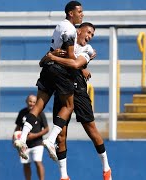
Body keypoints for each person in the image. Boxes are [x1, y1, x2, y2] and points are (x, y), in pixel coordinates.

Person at [14, 0, 88, 161]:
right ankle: (51, 139)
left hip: (47, 69)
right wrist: (82, 67)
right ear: (71, 13)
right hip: (60, 72)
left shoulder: (59, 26)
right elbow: (69, 56)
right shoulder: (70, 29)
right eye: (80, 11)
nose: (82, 14)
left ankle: (22, 138)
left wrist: (48, 59)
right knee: (69, 105)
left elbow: (50, 53)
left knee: (39, 106)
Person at [46, 22, 112, 180]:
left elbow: (74, 62)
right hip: (62, 87)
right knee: (61, 135)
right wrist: (51, 57)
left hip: (78, 89)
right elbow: (63, 60)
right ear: (78, 31)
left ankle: (106, 168)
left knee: (91, 129)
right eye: (88, 32)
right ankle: (64, 176)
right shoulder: (65, 42)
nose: (89, 36)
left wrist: (53, 57)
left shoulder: (88, 50)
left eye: (92, 35)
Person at [13, 94, 49, 180]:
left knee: (37, 161)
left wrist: (34, 135)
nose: (32, 103)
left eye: (34, 102)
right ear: (26, 102)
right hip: (24, 144)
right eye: (30, 101)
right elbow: (18, 127)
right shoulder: (22, 112)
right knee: (26, 164)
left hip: (37, 143)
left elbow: (47, 129)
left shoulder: (40, 113)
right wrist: (14, 139)